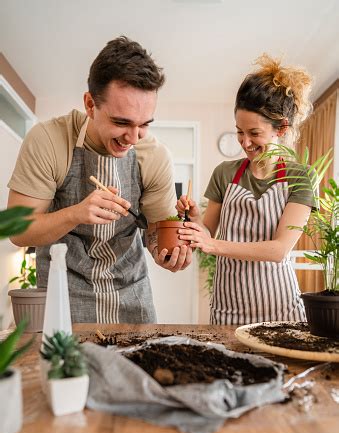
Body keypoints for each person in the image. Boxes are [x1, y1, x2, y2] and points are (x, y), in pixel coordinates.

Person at [7, 36, 192, 324]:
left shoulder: (155, 156)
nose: (133, 138)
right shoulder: (49, 140)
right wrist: (75, 214)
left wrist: (166, 254)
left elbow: (156, 231)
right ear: (90, 104)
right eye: (121, 122)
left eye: (143, 124)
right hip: (62, 296)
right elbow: (18, 230)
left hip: (133, 297)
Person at [177, 54, 315, 325]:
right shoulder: (225, 173)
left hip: (281, 312)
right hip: (228, 312)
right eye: (239, 131)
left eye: (254, 133)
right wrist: (195, 221)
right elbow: (207, 236)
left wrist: (213, 244)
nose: (245, 142)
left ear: (281, 128)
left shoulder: (301, 177)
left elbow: (279, 250)